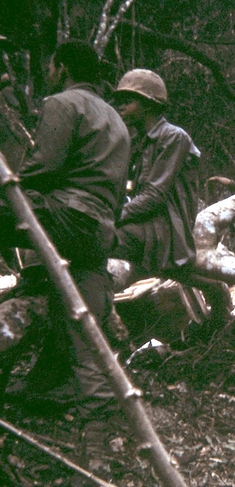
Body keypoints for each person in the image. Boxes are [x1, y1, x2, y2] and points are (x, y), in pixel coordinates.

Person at [0, 40, 130, 417]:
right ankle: (92, 418)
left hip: (64, 218)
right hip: (98, 233)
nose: (49, 73)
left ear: (63, 68)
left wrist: (12, 183)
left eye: (52, 67)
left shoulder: (63, 103)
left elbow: (44, 169)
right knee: (85, 338)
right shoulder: (118, 119)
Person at [112, 68, 231, 322]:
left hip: (164, 226)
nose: (120, 106)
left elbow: (154, 195)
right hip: (146, 222)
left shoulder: (174, 137)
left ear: (149, 105)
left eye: (128, 100)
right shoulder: (138, 142)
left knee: (104, 238)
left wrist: (114, 216)